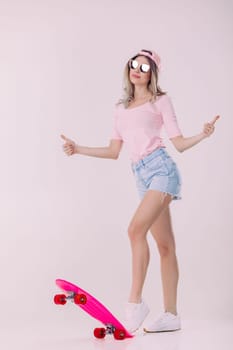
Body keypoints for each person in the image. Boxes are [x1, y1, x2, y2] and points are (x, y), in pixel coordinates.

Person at [60, 49, 219, 333]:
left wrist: (203, 134)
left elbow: (179, 144)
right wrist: (78, 148)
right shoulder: (120, 108)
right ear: (129, 67)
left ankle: (135, 304)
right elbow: (113, 151)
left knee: (135, 230)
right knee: (165, 246)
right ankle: (171, 315)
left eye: (145, 67)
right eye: (135, 64)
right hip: (140, 176)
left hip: (162, 171)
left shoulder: (161, 101)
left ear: (152, 74)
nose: (138, 70)